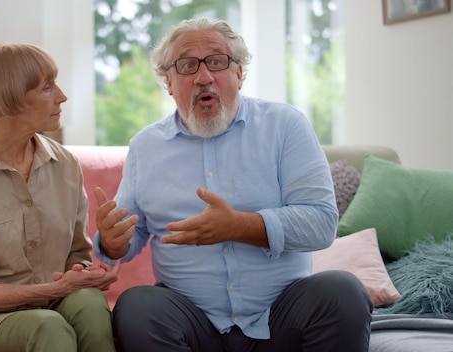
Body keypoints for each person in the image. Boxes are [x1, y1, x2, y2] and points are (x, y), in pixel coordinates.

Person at [93, 17, 373, 352]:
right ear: (169, 81)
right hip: (190, 321)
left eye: (216, 61)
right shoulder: (145, 147)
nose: (204, 76)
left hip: (281, 317)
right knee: (137, 307)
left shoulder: (286, 126)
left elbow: (321, 223)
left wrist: (239, 226)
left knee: (343, 292)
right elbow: (132, 233)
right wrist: (111, 243)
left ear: (238, 73)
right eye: (187, 65)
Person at [0, 43, 118, 352]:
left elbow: (76, 254)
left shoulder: (65, 165)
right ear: (12, 100)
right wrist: (52, 288)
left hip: (54, 303)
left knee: (92, 305)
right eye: (46, 87)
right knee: (48, 327)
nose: (62, 96)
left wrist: (86, 275)